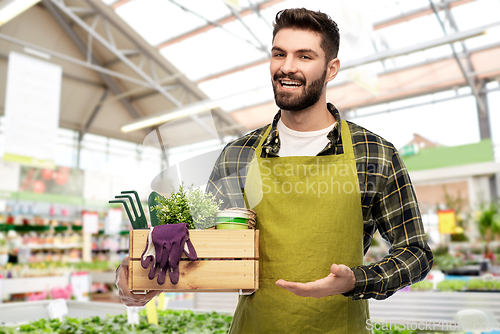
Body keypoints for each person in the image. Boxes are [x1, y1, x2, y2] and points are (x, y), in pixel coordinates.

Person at [115, 7, 433, 333]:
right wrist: (141, 272)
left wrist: (356, 280)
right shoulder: (238, 155)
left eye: (304, 56)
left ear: (331, 68)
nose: (287, 66)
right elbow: (200, 246)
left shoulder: (374, 154)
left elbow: (416, 253)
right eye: (279, 54)